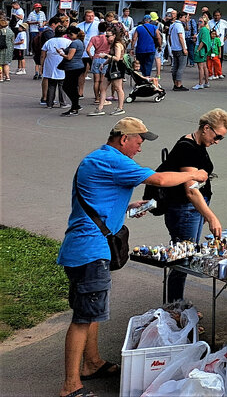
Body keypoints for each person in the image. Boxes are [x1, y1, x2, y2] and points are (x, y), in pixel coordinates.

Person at [58, 117, 207, 397]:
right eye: (139, 140)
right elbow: (160, 179)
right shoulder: (114, 160)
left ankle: (92, 363)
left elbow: (96, 198)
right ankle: (70, 386)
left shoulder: (97, 159)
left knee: (91, 312)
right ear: (123, 139)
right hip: (90, 250)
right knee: (82, 318)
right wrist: (194, 175)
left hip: (83, 247)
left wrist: (128, 206)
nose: (140, 146)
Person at [158, 109, 227, 302]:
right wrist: (211, 217)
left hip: (192, 208)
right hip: (185, 209)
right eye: (217, 137)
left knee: (185, 254)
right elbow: (191, 190)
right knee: (183, 258)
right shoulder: (188, 148)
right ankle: (175, 305)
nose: (217, 141)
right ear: (206, 128)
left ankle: (175, 302)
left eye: (221, 138)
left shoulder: (197, 144)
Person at [57, 26, 88, 117]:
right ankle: (75, 105)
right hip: (78, 66)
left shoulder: (74, 43)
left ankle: (75, 106)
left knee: (67, 86)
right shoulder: (80, 42)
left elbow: (69, 57)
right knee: (72, 86)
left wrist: (61, 53)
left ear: (72, 34)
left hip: (72, 67)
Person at [192, 15, 214, 90]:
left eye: (201, 21)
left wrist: (198, 50)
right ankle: (206, 82)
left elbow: (203, 41)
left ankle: (200, 83)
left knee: (200, 67)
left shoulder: (203, 30)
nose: (199, 23)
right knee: (204, 67)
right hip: (202, 50)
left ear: (205, 22)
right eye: (199, 21)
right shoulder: (205, 30)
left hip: (201, 50)